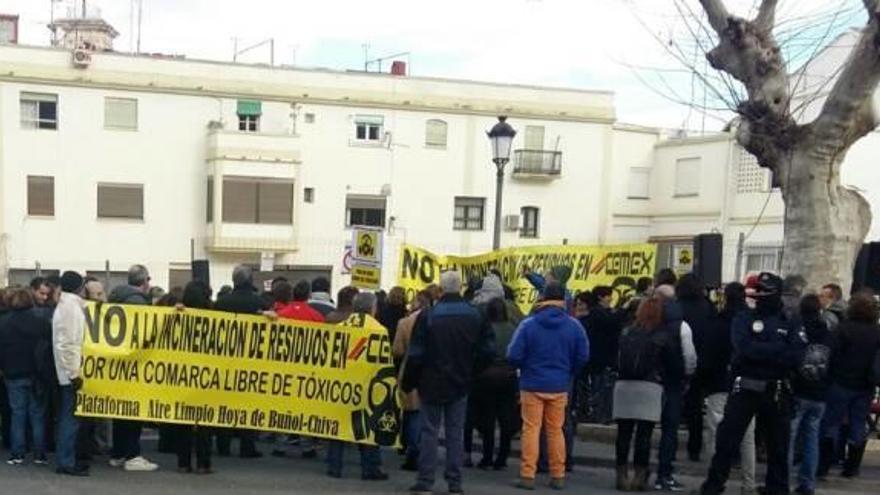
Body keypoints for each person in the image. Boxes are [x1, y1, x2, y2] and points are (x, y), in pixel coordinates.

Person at [696, 272, 807, 495]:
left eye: (766, 293)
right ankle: (714, 485)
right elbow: (743, 349)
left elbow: (796, 355)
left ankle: (777, 489)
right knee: (727, 441)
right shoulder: (744, 318)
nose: (760, 297)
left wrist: (762, 351)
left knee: (778, 445)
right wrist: (777, 349)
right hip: (746, 387)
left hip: (776, 389)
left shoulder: (790, 320)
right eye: (759, 292)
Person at [404, 271, 495, 495]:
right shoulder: (475, 315)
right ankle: (455, 482)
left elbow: (416, 354)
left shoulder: (429, 315)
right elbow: (488, 351)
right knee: (455, 432)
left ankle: (425, 480)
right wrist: (473, 372)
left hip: (431, 380)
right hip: (461, 380)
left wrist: (409, 381)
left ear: (442, 290)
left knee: (429, 432)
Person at [509, 282, 590, 490]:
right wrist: (569, 370)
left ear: (543, 298)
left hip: (531, 383)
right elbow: (583, 355)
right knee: (555, 430)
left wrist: (525, 366)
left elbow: (513, 355)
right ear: (563, 299)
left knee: (531, 429)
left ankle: (528, 475)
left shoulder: (529, 324)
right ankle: (558, 474)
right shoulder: (574, 326)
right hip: (559, 384)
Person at [325, 292, 389, 481]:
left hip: (342, 383)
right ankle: (370, 468)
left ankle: (334, 466)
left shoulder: (341, 327)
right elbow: (382, 362)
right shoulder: (379, 330)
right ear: (373, 308)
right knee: (367, 428)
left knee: (338, 426)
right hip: (367, 384)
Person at [817, 292, 880, 480]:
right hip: (865, 385)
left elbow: (830, 354)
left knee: (831, 423)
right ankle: (851, 467)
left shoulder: (842, 329)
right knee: (858, 425)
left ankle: (825, 464)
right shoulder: (876, 332)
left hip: (840, 382)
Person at [702, 283, 756, 495]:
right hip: (747, 384)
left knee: (715, 432)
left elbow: (707, 355)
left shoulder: (718, 322)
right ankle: (748, 484)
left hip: (719, 382)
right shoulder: (752, 321)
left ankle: (713, 481)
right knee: (747, 436)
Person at [107, 264, 159, 472]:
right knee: (133, 411)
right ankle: (132, 455)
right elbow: (144, 333)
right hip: (134, 363)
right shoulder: (138, 302)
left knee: (121, 411)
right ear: (145, 281)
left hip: (118, 362)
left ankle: (118, 453)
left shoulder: (116, 298)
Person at [613, 296, 667, 491]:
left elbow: (616, 358)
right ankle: (640, 476)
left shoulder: (627, 332)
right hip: (649, 387)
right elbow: (671, 363)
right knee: (644, 435)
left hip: (624, 386)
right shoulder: (662, 335)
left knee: (623, 434)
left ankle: (621, 475)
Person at [213, 265, 265, 459]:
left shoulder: (221, 303)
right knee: (248, 405)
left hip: (225, 360)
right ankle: (247, 446)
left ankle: (223, 445)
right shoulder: (260, 303)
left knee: (224, 404)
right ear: (250, 281)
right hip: (252, 361)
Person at [653, 284, 698, 492]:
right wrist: (686, 376)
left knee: (643, 429)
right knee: (670, 430)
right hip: (672, 382)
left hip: (649, 381)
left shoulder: (646, 318)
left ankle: (639, 472)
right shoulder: (681, 326)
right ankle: (665, 474)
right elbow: (689, 357)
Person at [0, 288, 52, 466]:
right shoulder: (42, 321)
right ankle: (39, 454)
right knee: (37, 415)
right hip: (37, 374)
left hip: (13, 374)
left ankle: (17, 454)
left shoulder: (4, 323)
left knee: (17, 414)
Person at [789, 295, 834, 495]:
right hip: (820, 392)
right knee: (811, 439)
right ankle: (808, 483)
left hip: (799, 390)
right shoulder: (829, 334)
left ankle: (782, 479)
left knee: (788, 437)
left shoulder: (797, 330)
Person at [173, 280, 215, 474]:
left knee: (183, 420)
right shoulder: (216, 316)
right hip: (208, 375)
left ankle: (183, 462)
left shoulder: (177, 316)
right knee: (205, 420)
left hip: (183, 374)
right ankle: (203, 463)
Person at [473, 297, 520, 470]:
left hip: (486, 377)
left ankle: (487, 456)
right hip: (508, 376)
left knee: (487, 419)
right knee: (506, 418)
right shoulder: (513, 329)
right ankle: (502, 456)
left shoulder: (484, 329)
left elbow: (478, 352)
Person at [676, 274, 717, 463]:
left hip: (678, 360)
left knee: (677, 404)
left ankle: (672, 444)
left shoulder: (677, 307)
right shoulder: (708, 307)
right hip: (704, 359)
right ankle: (695, 447)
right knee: (697, 406)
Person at [52, 271, 88, 476]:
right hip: (69, 373)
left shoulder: (67, 305)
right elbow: (68, 344)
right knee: (70, 419)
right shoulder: (70, 309)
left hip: (65, 370)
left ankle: (67, 459)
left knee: (69, 417)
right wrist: (74, 373)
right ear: (79, 287)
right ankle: (66, 461)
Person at [394, 290, 433, 471]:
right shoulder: (436, 320)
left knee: (411, 414)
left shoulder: (404, 322)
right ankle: (424, 451)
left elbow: (398, 350)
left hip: (410, 369)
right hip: (432, 371)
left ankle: (411, 449)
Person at [584, 285, 624, 425]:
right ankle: (600, 414)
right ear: (601, 297)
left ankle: (604, 413)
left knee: (606, 387)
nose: (611, 298)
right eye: (608, 295)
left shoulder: (605, 312)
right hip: (600, 357)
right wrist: (623, 310)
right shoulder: (597, 313)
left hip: (605, 357)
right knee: (600, 387)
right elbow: (610, 322)